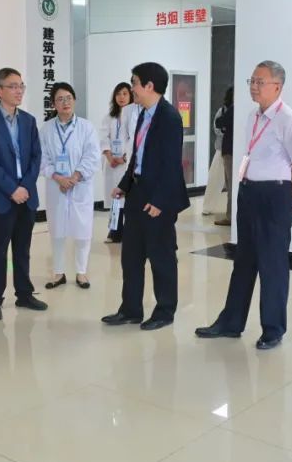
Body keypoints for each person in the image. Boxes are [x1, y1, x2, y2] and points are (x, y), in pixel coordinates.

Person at [195, 62, 292, 350]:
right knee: (243, 261)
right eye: (252, 81)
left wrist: (289, 198)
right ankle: (231, 322)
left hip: (275, 195)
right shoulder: (252, 116)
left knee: (273, 265)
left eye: (260, 82)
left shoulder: (288, 120)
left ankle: (273, 329)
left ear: (277, 86)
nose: (254, 87)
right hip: (249, 192)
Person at [101, 62, 189, 330]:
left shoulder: (169, 117)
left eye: (134, 83)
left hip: (158, 199)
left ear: (149, 86)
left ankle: (164, 311)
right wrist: (125, 185)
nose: (131, 88)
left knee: (161, 257)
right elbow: (137, 157)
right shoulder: (142, 114)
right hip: (138, 193)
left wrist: (160, 201)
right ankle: (130, 309)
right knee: (131, 256)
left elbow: (171, 165)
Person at [0, 67, 49, 321]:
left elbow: (36, 156)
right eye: (13, 86)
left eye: (21, 86)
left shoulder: (28, 121)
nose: (19, 91)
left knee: (23, 248)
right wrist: (12, 189)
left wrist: (25, 187)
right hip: (0, 198)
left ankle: (24, 294)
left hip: (26, 197)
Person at [41, 82, 100, 290]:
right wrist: (58, 178)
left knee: (83, 230)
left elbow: (92, 156)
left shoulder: (86, 127)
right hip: (56, 186)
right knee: (57, 230)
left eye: (68, 98)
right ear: (53, 104)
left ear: (74, 100)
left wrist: (74, 177)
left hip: (80, 186)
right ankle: (59, 273)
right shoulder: (47, 129)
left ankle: (81, 272)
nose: (65, 102)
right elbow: (42, 158)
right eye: (60, 99)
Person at [100, 81, 135, 244]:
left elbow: (135, 140)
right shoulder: (109, 117)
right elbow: (103, 138)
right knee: (115, 199)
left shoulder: (134, 116)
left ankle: (130, 232)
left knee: (127, 199)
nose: (121, 97)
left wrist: (124, 158)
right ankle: (114, 231)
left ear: (131, 96)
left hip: (127, 164)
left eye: (125, 94)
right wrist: (109, 157)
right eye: (118, 94)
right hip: (112, 164)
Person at [213, 87, 234, 226]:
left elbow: (219, 122)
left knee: (231, 184)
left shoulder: (232, 109)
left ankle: (230, 216)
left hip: (230, 151)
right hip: (234, 151)